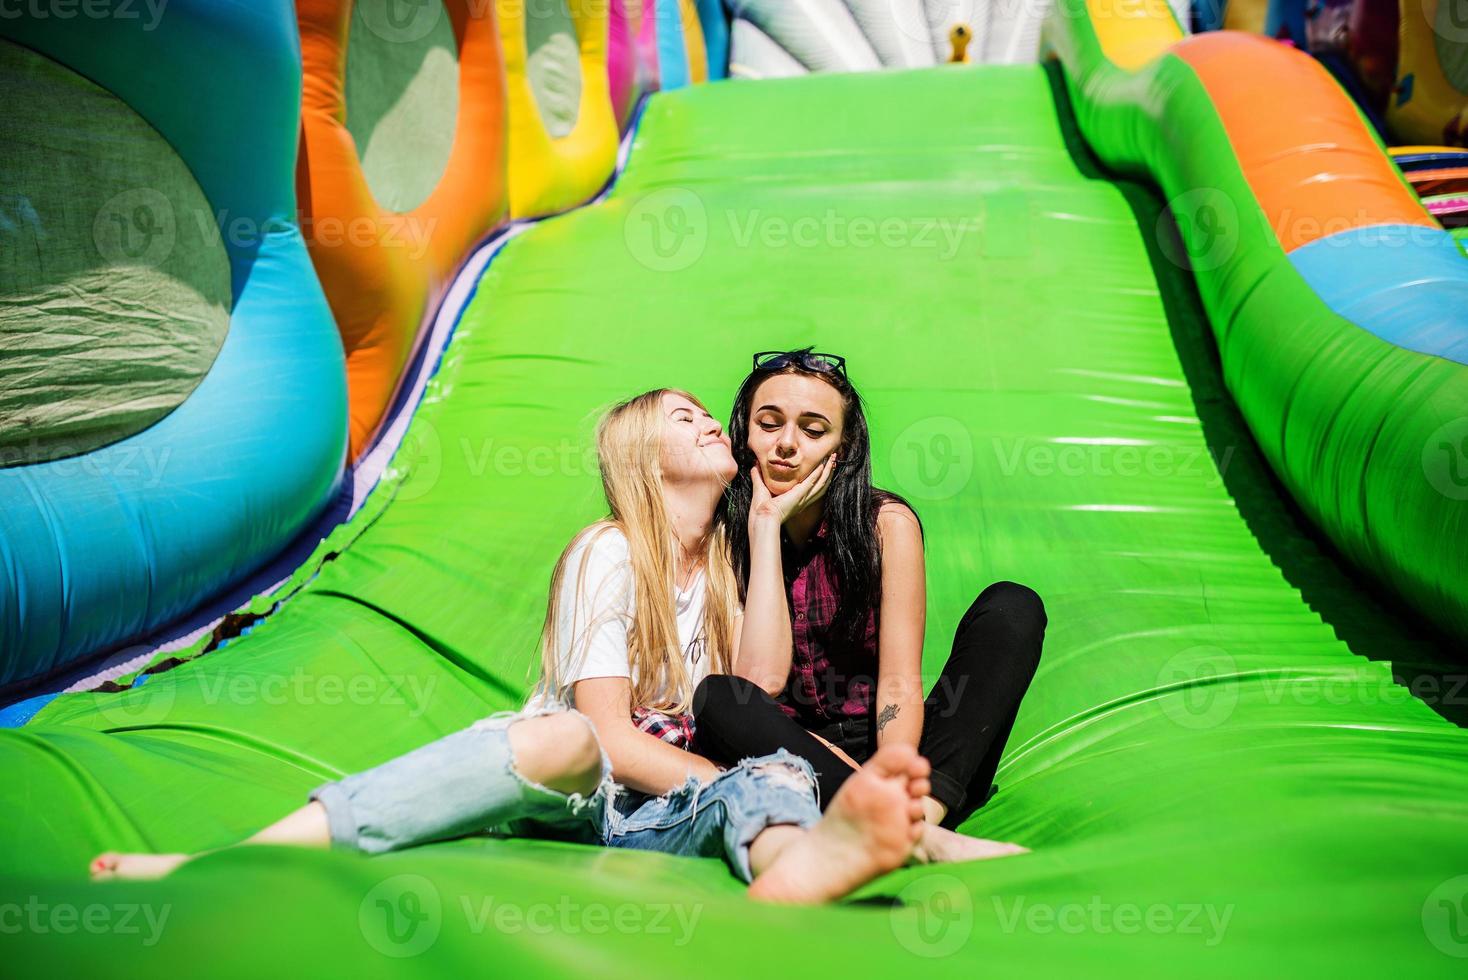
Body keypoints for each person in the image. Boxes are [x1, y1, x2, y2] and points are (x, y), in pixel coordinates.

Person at [91, 389, 933, 904]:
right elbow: (608, 736)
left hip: (664, 809)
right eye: (690, 419)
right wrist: (726, 777)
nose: (720, 426)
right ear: (644, 458)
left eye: (714, 418)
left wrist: (758, 526)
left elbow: (757, 687)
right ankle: (225, 864)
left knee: (776, 774)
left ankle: (796, 873)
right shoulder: (609, 551)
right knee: (566, 739)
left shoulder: (726, 569)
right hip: (582, 790)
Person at [694, 350, 1046, 857]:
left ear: (844, 448)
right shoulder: (725, 534)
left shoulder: (885, 525)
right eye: (768, 424)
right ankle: (910, 835)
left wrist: (894, 775)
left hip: (892, 747)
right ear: (743, 434)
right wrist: (765, 528)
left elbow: (899, 681)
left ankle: (913, 822)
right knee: (718, 698)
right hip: (790, 754)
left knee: (1012, 607)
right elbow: (754, 685)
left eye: (814, 431)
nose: (786, 445)